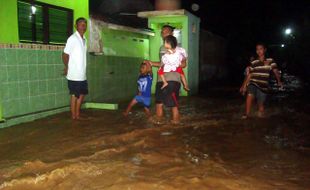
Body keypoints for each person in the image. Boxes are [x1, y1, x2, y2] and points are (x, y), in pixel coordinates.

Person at [146, 25, 187, 124]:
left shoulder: (179, 49)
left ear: (172, 34)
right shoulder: (162, 48)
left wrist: (173, 63)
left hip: (173, 79)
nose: (163, 34)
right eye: (162, 32)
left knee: (173, 103)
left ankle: (176, 122)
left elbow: (184, 64)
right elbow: (162, 63)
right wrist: (151, 63)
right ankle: (159, 119)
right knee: (159, 101)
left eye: (166, 32)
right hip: (161, 79)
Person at [240, 43, 283, 119]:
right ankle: (246, 114)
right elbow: (249, 75)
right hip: (253, 82)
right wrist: (244, 86)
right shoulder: (254, 62)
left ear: (264, 50)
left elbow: (276, 71)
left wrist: (279, 81)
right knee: (250, 95)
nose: (259, 51)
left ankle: (260, 116)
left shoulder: (270, 60)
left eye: (261, 49)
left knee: (260, 105)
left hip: (263, 85)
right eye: (257, 49)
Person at [63, 17, 88, 120]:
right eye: (81, 24)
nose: (83, 26)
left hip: (82, 75)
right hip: (74, 75)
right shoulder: (72, 38)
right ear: (76, 26)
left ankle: (77, 115)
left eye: (85, 24)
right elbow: (65, 54)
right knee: (74, 95)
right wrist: (67, 67)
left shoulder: (84, 39)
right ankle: (73, 117)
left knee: (82, 95)